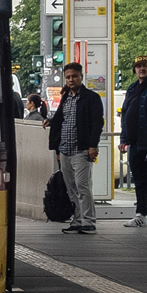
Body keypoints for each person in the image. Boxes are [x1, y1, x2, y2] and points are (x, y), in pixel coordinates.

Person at [45, 62, 103, 234]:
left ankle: (89, 221)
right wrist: (51, 123)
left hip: (82, 149)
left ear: (81, 77)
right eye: (68, 77)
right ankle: (77, 219)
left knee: (82, 185)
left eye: (74, 76)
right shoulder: (66, 97)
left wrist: (93, 145)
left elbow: (97, 123)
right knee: (71, 186)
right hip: (65, 149)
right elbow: (61, 119)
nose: (71, 80)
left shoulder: (91, 98)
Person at [118, 57, 147, 228]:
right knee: (139, 180)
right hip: (135, 142)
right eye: (138, 66)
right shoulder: (132, 88)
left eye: (145, 65)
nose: (141, 69)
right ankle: (141, 213)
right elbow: (125, 114)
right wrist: (124, 139)